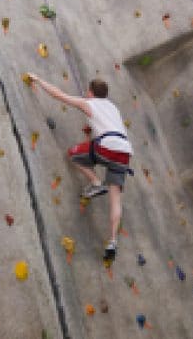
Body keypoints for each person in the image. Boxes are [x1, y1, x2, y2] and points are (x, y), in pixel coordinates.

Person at [28, 73, 133, 261]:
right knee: (116, 199)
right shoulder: (114, 108)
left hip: (107, 146)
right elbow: (106, 124)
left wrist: (38, 79)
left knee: (73, 155)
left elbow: (58, 95)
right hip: (124, 152)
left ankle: (95, 181)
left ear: (91, 92)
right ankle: (112, 241)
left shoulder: (89, 103)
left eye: (87, 91)